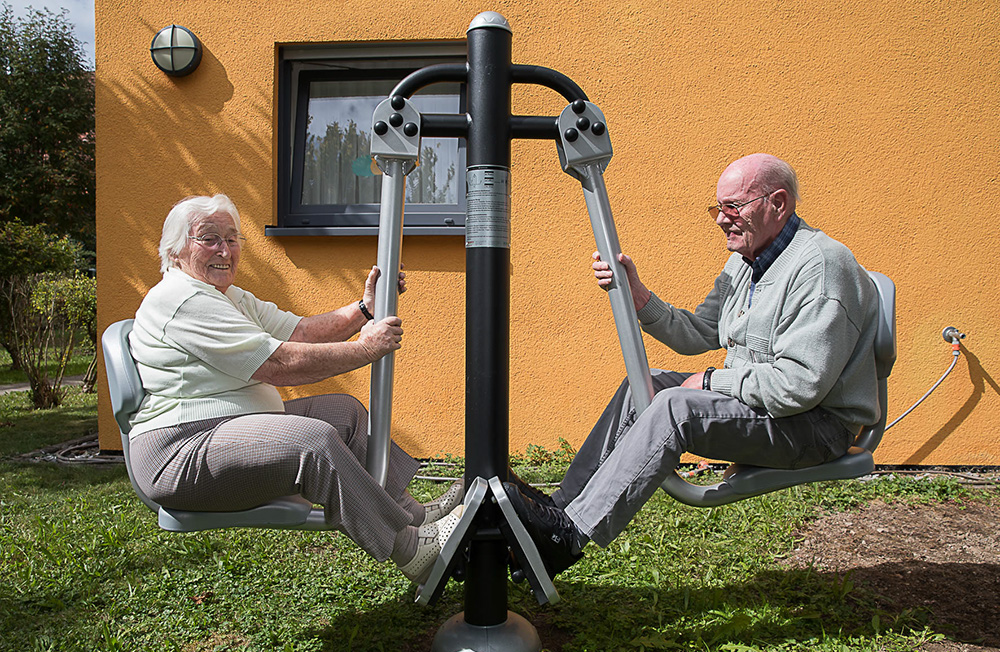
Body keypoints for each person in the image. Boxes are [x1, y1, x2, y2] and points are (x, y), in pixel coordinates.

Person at [503, 154, 880, 576]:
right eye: (718, 207)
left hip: (815, 425)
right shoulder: (747, 261)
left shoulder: (823, 267)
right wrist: (640, 296)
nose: (720, 219)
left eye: (734, 207)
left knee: (674, 407)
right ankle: (556, 510)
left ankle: (566, 537)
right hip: (767, 407)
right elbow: (699, 332)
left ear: (778, 203)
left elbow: (799, 386)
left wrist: (714, 381)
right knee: (644, 386)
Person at [127, 194, 463, 584]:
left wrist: (364, 310)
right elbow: (279, 364)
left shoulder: (226, 296)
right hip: (180, 452)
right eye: (209, 238)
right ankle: (412, 549)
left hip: (225, 426)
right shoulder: (182, 300)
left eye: (232, 239)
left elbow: (300, 332)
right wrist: (365, 349)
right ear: (175, 250)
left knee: (343, 414)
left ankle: (412, 515)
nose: (225, 250)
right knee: (313, 440)